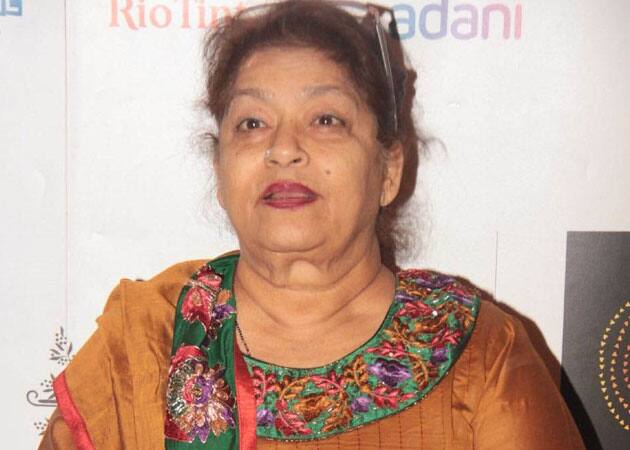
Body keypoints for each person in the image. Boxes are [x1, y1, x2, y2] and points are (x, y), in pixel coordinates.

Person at [39, 1, 584, 449]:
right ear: (220, 171)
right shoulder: (147, 343)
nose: (283, 149)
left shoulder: (479, 355)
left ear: (388, 171)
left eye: (326, 120)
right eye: (252, 123)